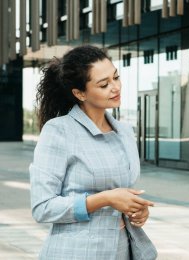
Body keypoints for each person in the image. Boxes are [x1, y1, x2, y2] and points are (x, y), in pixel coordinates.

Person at [30, 45, 157, 259]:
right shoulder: (59, 131)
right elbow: (42, 207)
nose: (115, 87)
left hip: (124, 249)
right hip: (77, 252)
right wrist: (105, 199)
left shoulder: (124, 131)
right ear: (80, 93)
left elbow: (122, 193)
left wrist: (136, 210)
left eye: (116, 77)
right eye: (104, 84)